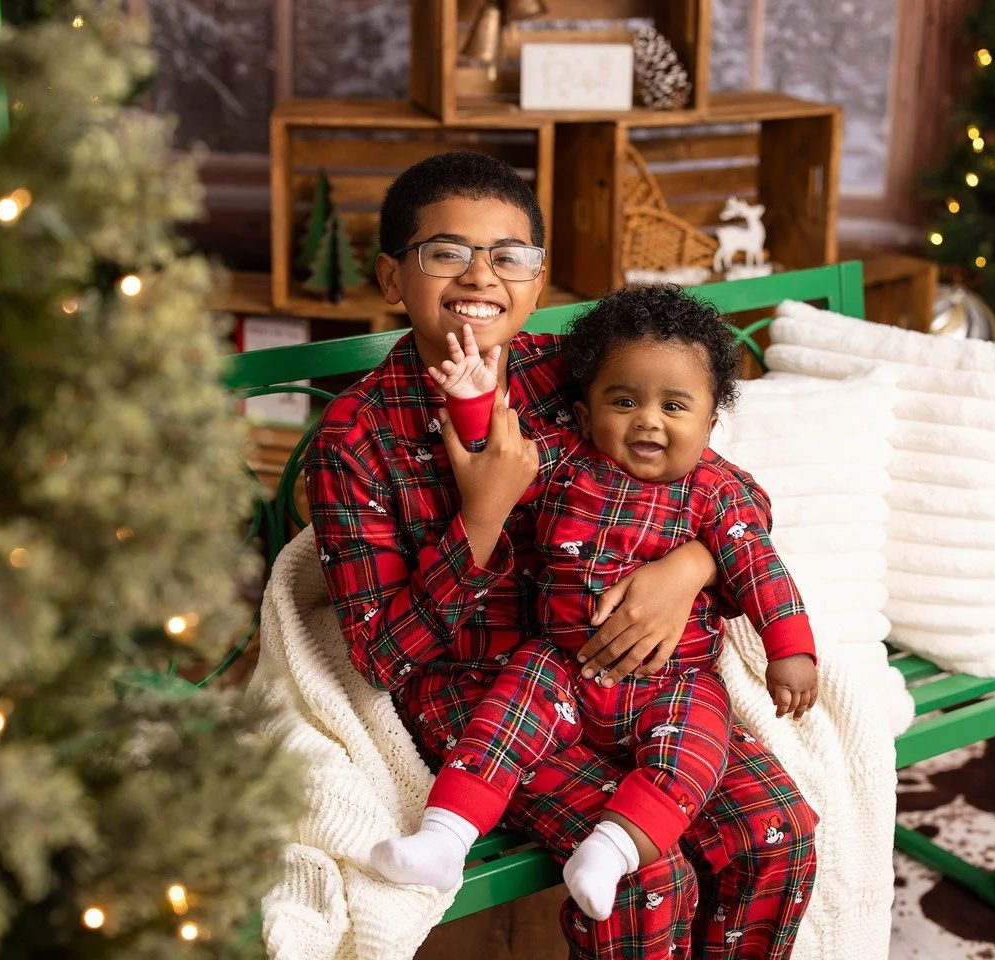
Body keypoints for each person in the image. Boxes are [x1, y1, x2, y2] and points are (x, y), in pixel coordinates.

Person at [305, 150, 818, 958]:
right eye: (446, 252)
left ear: (536, 284)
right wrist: (481, 516)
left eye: (508, 256)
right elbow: (379, 657)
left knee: (778, 831)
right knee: (647, 877)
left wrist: (684, 569)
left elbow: (732, 497)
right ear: (392, 277)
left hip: (632, 671)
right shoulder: (356, 438)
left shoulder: (576, 372)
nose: (480, 276)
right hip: (486, 696)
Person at [369, 290, 819, 922]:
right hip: (563, 665)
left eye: (674, 406)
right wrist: (472, 402)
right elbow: (500, 462)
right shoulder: (566, 463)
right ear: (585, 415)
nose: (648, 421)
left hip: (674, 682)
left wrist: (791, 651)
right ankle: (443, 839)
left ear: (711, 424)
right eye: (625, 402)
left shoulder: (716, 493)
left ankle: (611, 849)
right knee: (504, 720)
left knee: (693, 753)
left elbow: (762, 570)